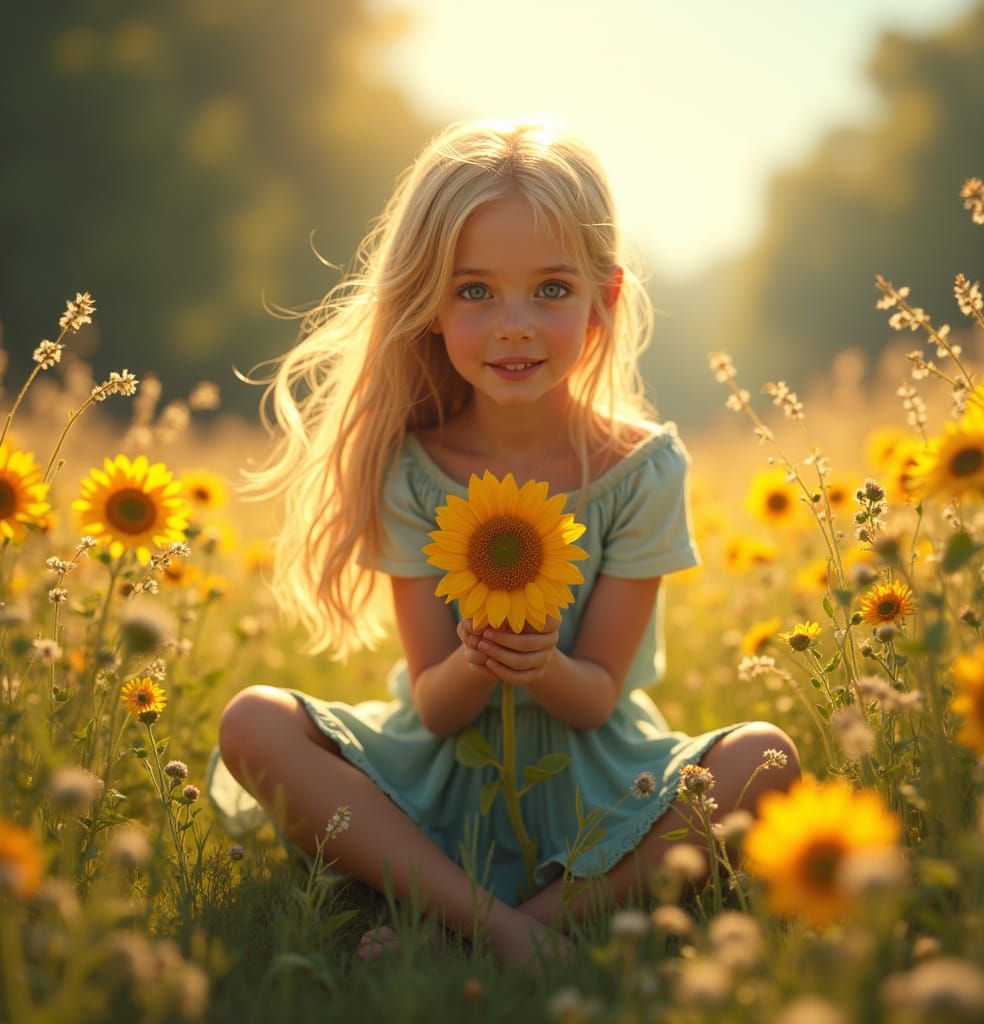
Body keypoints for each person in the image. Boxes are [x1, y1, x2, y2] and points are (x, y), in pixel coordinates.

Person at [208, 118, 800, 969]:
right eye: (475, 291)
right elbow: (436, 706)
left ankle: (486, 925)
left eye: (551, 290)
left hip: (595, 774)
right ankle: (507, 928)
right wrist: (480, 660)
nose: (514, 325)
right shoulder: (415, 469)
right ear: (429, 306)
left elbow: (598, 697)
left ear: (605, 302)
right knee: (253, 722)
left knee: (766, 756)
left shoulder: (641, 470)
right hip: (442, 772)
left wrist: (543, 664)